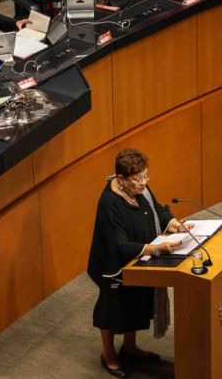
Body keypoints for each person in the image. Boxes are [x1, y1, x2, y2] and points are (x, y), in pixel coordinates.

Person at [87, 148, 194, 377]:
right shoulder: (109, 203)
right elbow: (119, 244)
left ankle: (129, 348)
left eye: (146, 177)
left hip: (139, 256)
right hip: (114, 263)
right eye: (137, 179)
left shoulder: (141, 189)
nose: (143, 183)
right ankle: (108, 354)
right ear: (121, 179)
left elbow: (157, 210)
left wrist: (175, 225)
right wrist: (155, 248)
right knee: (112, 309)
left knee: (136, 302)